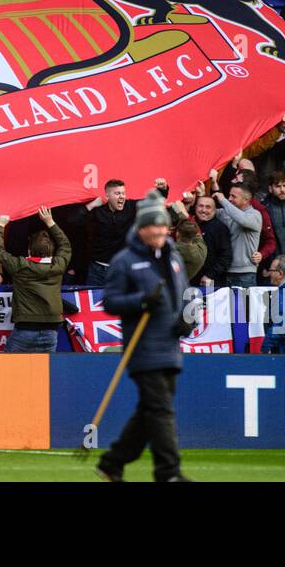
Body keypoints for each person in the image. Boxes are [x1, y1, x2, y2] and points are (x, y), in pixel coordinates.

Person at [96, 191, 191, 483]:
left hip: (170, 343)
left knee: (150, 411)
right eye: (154, 226)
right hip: (143, 346)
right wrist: (140, 301)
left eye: (164, 226)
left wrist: (187, 318)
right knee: (160, 409)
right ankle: (168, 472)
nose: (161, 231)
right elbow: (110, 301)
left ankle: (112, 462)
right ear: (141, 229)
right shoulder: (125, 261)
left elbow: (183, 293)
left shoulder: (173, 256)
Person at [0, 206, 71, 352]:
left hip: (24, 331)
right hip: (51, 331)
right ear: (51, 251)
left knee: (8, 370)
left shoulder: (20, 265)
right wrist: (50, 222)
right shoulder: (58, 265)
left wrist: (0, 225)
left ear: (29, 250)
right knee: (44, 373)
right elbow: (65, 245)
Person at [214, 181, 262, 287]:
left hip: (245, 275)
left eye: (233, 196)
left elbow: (242, 220)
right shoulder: (226, 212)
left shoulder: (255, 215)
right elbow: (208, 212)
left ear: (246, 200)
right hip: (225, 272)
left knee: (244, 304)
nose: (229, 199)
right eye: (229, 195)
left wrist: (222, 200)